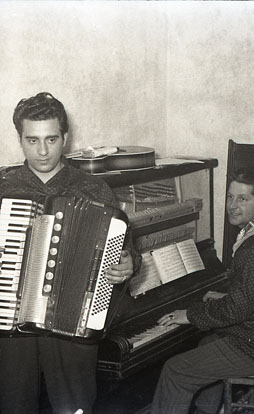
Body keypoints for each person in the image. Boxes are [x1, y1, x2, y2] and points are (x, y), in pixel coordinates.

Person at [0, 92, 135, 413]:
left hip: (72, 325)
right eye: (32, 140)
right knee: (14, 405)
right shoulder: (4, 188)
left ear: (65, 137)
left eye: (51, 139)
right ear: (20, 139)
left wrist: (129, 264)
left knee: (74, 406)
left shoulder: (93, 188)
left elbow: (126, 250)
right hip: (12, 323)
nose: (42, 151)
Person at [150, 167, 254, 414]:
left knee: (176, 370)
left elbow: (237, 309)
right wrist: (228, 297)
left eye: (242, 199)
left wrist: (190, 314)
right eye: (230, 197)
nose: (232, 206)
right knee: (207, 342)